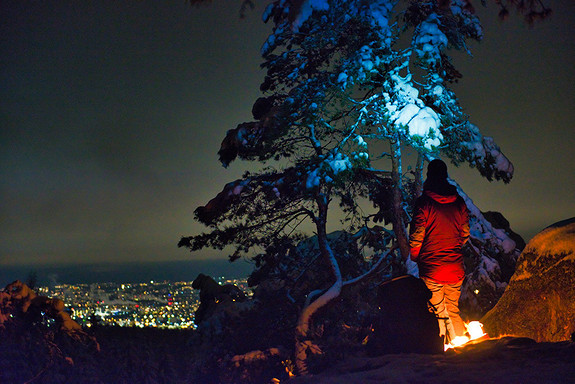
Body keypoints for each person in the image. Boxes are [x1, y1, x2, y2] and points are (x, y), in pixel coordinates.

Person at [409, 159, 470, 346]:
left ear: (429, 175)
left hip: (432, 269)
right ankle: (463, 348)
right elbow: (465, 234)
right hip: (455, 268)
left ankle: (441, 352)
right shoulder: (459, 203)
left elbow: (417, 236)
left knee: (437, 311)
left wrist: (415, 256)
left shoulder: (424, 203)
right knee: (452, 309)